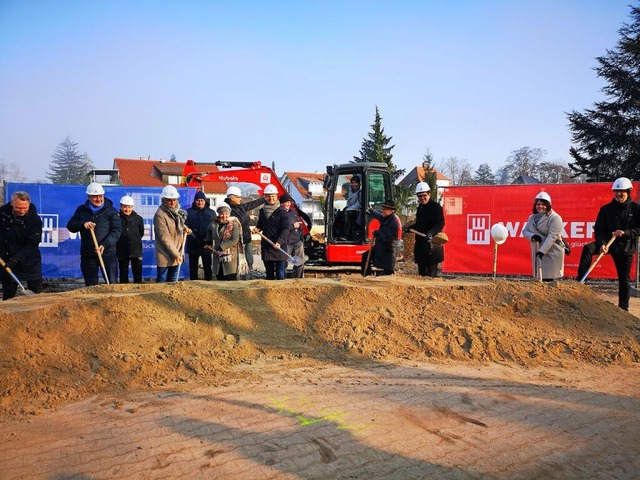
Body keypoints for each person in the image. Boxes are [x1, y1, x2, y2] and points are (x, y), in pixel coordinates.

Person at [576, 177, 640, 311]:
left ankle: (623, 308)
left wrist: (625, 232)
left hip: (625, 247)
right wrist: (602, 244)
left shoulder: (636, 208)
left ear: (628, 191)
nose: (618, 194)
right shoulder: (606, 209)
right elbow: (599, 229)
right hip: (608, 244)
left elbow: (638, 229)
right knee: (588, 248)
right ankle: (580, 282)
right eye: (616, 191)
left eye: (621, 191)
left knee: (624, 279)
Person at [67, 183, 121, 286]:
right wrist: (83, 224)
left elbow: (116, 231)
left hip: (108, 253)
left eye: (100, 196)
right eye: (95, 197)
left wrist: (104, 245)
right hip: (89, 254)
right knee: (91, 286)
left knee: (112, 284)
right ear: (88, 196)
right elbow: (71, 226)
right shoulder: (81, 210)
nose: (98, 199)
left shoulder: (111, 211)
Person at [0, 191, 43, 299]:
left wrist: (15, 259)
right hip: (6, 258)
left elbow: (32, 244)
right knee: (8, 295)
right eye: (18, 208)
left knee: (36, 295)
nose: (22, 211)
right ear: (11, 203)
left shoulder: (34, 219)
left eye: (25, 208)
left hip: (29, 260)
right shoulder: (2, 214)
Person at [403, 182, 445, 277]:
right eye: (420, 196)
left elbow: (440, 223)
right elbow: (420, 224)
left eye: (424, 195)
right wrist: (410, 228)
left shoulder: (435, 207)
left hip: (432, 246)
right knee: (421, 275)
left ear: (429, 194)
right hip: (421, 247)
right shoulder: (421, 208)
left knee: (430, 276)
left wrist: (431, 233)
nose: (422, 198)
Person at [522, 192, 564, 281]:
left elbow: (552, 237)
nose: (540, 206)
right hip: (537, 250)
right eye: (538, 204)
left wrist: (542, 251)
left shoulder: (555, 218)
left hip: (551, 252)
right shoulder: (531, 218)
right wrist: (533, 236)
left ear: (548, 205)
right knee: (539, 278)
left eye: (543, 204)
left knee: (550, 279)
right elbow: (525, 231)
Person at [153, 185, 192, 283]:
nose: (172, 203)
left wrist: (186, 229)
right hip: (165, 254)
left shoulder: (177, 211)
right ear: (164, 200)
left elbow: (179, 225)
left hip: (177, 251)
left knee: (173, 283)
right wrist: (176, 254)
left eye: (174, 200)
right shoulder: (160, 215)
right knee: (162, 282)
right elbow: (165, 237)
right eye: (169, 200)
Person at [224, 186, 266, 274]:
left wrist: (264, 198)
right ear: (232, 198)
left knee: (250, 259)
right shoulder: (227, 208)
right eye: (238, 197)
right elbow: (237, 220)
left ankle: (248, 274)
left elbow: (252, 204)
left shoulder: (240, 207)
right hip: (237, 240)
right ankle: (238, 276)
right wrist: (248, 217)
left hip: (247, 238)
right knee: (239, 260)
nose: (240, 199)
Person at [254, 184, 291, 280]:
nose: (271, 198)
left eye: (273, 196)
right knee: (269, 276)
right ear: (265, 197)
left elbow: (286, 229)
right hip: (267, 247)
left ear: (276, 196)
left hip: (279, 248)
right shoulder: (262, 211)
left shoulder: (282, 212)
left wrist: (279, 242)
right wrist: (257, 229)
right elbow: (261, 224)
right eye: (268, 196)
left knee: (280, 275)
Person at [363, 199, 401, 276]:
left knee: (388, 271)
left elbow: (387, 239)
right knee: (365, 256)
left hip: (388, 250)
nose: (382, 210)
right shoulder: (386, 216)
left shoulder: (394, 223)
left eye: (384, 209)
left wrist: (377, 233)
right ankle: (366, 276)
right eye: (382, 208)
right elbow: (378, 215)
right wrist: (371, 210)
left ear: (391, 211)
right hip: (380, 246)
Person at [185, 191, 215, 280]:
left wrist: (209, 241)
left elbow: (214, 228)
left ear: (205, 201)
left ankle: (208, 284)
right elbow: (186, 227)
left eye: (202, 200)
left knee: (207, 267)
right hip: (193, 244)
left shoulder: (211, 213)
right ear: (195, 201)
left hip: (207, 245)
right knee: (193, 267)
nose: (200, 202)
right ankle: (194, 285)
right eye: (198, 200)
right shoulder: (188, 212)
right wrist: (193, 238)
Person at [207, 204, 241, 281]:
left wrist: (222, 247)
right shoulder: (214, 223)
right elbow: (208, 231)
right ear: (218, 214)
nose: (224, 215)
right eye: (222, 213)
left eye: (226, 213)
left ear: (229, 214)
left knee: (230, 278)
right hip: (217, 255)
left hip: (230, 257)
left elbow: (234, 240)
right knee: (219, 277)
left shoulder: (234, 224)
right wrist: (208, 242)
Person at [116, 195, 145, 284]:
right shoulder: (116, 218)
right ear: (121, 207)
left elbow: (141, 233)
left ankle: (138, 292)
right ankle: (123, 294)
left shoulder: (138, 219)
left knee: (137, 273)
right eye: (125, 207)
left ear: (132, 207)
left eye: (129, 207)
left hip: (136, 250)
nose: (127, 209)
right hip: (121, 249)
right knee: (123, 273)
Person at [279, 193, 305, 278]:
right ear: (281, 203)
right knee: (284, 262)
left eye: (289, 202)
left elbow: (298, 223)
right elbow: (282, 227)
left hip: (297, 241)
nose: (289, 204)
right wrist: (293, 226)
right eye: (287, 202)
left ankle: (297, 279)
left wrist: (301, 237)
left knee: (299, 262)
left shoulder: (292, 212)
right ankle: (283, 279)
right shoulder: (279, 213)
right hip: (287, 242)